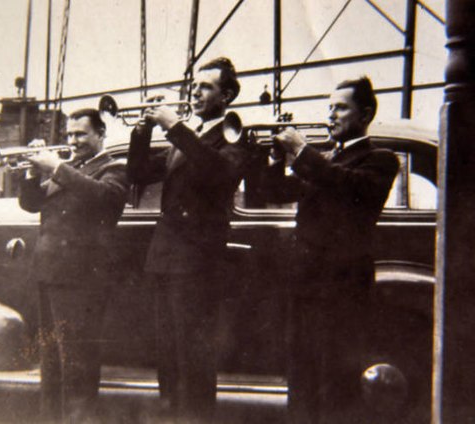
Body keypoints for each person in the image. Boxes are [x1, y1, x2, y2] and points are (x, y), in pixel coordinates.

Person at [262, 76, 399, 423]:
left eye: (340, 108)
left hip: (341, 291)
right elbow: (274, 192)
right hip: (307, 286)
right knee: (302, 380)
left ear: (365, 114)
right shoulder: (323, 161)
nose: (331, 115)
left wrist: (303, 151)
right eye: (329, 108)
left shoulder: (379, 159)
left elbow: (348, 187)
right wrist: (276, 157)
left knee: (334, 384)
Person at [127, 57, 251, 423]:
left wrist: (176, 127)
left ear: (226, 95)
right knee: (168, 356)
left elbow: (220, 173)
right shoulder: (186, 136)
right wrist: (142, 130)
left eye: (207, 87)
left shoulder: (233, 135)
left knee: (193, 358)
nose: (196, 92)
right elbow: (137, 173)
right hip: (166, 257)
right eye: (195, 86)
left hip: (197, 262)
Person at [18, 108, 129, 423]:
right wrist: (31, 173)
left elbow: (106, 198)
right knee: (51, 362)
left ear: (100, 133)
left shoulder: (114, 167)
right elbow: (32, 203)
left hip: (82, 279)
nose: (73, 140)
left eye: (81, 134)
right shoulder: (70, 168)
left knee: (77, 363)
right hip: (50, 274)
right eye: (69, 135)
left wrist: (57, 167)